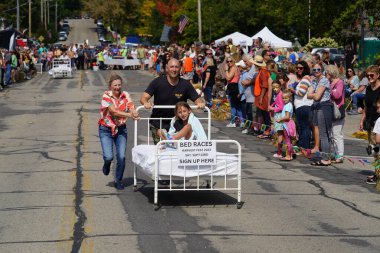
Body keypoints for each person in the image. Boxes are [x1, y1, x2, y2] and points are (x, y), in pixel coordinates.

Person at [140, 58, 205, 144]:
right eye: (171, 67)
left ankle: (171, 140)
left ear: (180, 68)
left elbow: (198, 100)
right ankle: (169, 141)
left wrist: (200, 103)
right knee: (161, 152)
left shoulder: (185, 84)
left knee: (176, 153)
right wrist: (145, 103)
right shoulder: (157, 82)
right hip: (158, 123)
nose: (174, 69)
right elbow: (143, 98)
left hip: (178, 124)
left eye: (176, 67)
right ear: (167, 68)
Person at [98, 74, 140, 190]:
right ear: (110, 86)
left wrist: (134, 111)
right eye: (115, 85)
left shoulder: (125, 95)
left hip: (121, 129)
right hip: (106, 129)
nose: (117, 87)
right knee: (109, 157)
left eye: (119, 85)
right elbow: (113, 112)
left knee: (121, 156)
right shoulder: (106, 96)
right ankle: (106, 164)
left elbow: (131, 105)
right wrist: (130, 115)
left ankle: (118, 180)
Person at [308, 63, 333, 166]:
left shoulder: (324, 80)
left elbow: (317, 97)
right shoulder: (314, 81)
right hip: (317, 107)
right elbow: (308, 95)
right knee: (321, 132)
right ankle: (325, 157)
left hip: (324, 107)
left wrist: (313, 94)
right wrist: (314, 94)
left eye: (318, 69)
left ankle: (326, 159)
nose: (316, 71)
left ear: (322, 70)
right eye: (314, 69)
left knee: (324, 134)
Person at [326, 65, 345, 163]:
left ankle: (340, 155)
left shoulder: (339, 82)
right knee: (331, 134)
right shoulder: (329, 82)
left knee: (337, 134)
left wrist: (329, 89)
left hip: (337, 111)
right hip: (330, 110)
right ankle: (334, 154)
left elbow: (337, 95)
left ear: (331, 73)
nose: (326, 74)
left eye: (327, 72)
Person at [360, 65, 380, 145]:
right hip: (370, 121)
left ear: (378, 75)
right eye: (367, 75)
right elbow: (366, 106)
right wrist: (362, 120)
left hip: (378, 122)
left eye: (371, 75)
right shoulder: (368, 88)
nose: (369, 77)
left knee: (377, 147)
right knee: (373, 147)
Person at [276, 91, 296, 161]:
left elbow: (287, 116)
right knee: (289, 140)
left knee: (288, 140)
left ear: (289, 98)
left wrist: (280, 119)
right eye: (283, 98)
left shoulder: (288, 105)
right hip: (287, 123)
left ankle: (288, 156)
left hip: (287, 124)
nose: (284, 99)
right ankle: (290, 154)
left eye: (286, 98)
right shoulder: (288, 105)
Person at [225, 56, 242, 127]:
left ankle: (233, 122)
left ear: (234, 61)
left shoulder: (233, 68)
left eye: (230, 61)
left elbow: (228, 77)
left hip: (233, 87)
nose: (229, 63)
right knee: (237, 106)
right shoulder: (236, 68)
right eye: (227, 61)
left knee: (233, 106)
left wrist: (226, 70)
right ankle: (241, 121)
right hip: (235, 86)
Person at [269, 83, 284, 158]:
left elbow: (281, 107)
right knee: (279, 134)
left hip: (279, 116)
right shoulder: (279, 94)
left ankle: (279, 152)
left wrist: (272, 108)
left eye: (277, 87)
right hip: (278, 115)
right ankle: (279, 151)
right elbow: (276, 102)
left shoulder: (280, 94)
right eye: (273, 87)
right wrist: (271, 105)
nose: (275, 89)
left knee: (280, 134)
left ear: (280, 87)